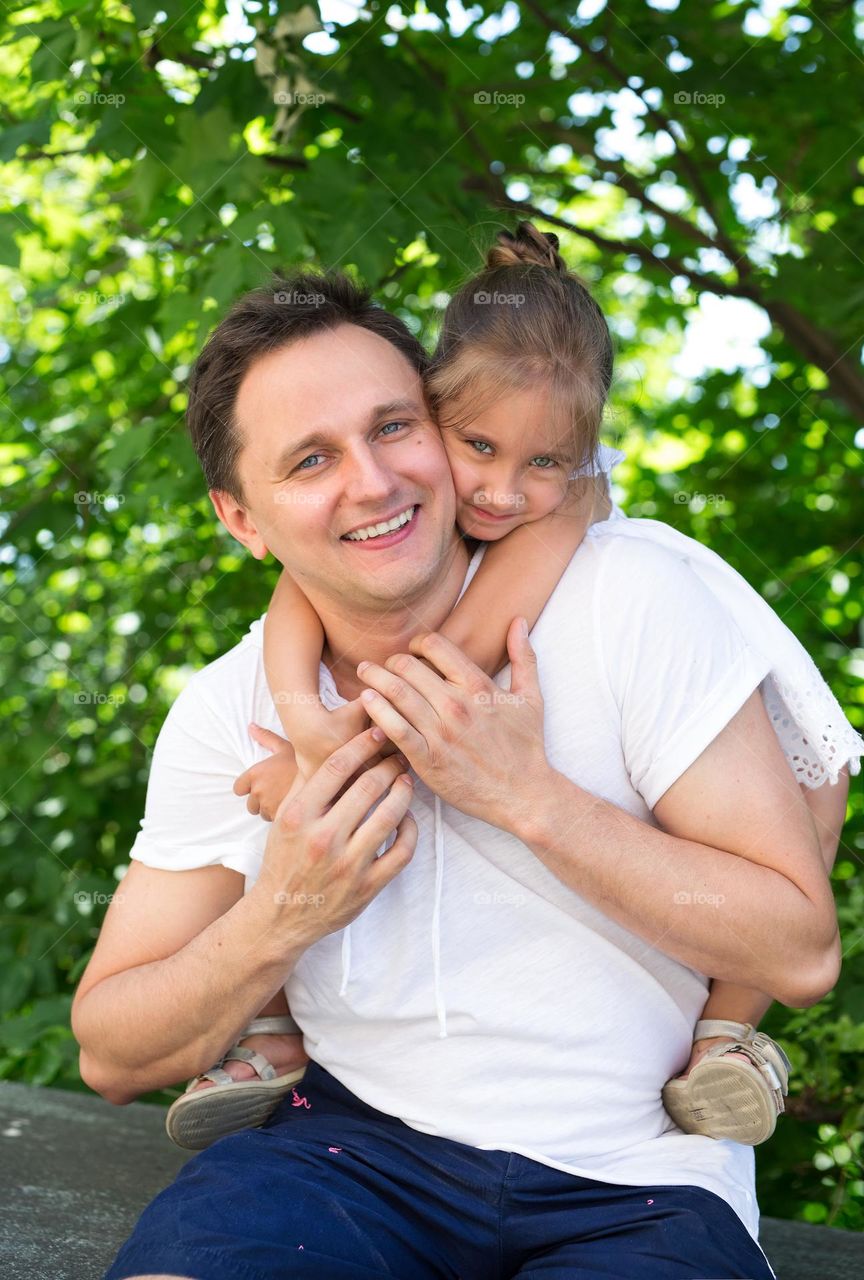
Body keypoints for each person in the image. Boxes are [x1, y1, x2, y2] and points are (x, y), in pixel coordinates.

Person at [73, 254, 847, 1280]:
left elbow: (798, 949)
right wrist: (285, 911)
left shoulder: (633, 599)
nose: (374, 478)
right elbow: (113, 1052)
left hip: (638, 1181)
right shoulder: (234, 707)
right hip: (348, 1154)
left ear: (438, 423)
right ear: (242, 519)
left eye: (392, 426)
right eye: (310, 461)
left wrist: (533, 799)